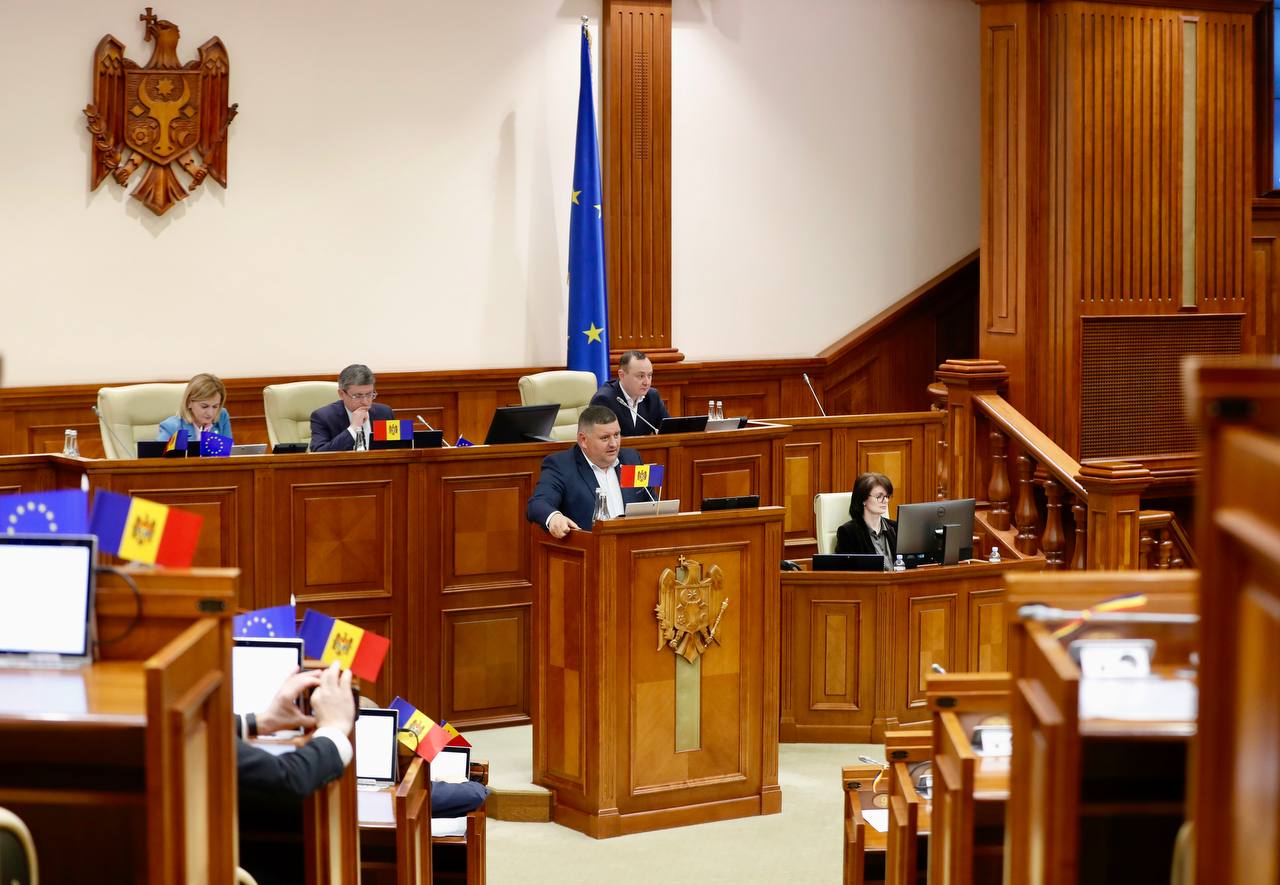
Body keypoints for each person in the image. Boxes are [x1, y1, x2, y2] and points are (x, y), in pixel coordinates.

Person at [526, 405, 647, 537]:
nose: (614, 444)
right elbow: (537, 504)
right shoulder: (561, 465)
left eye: (617, 435)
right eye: (605, 438)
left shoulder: (631, 459)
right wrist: (554, 517)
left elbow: (650, 501)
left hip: (634, 544)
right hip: (589, 547)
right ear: (583, 440)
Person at [309, 363, 395, 452]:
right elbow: (319, 453)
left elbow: (396, 448)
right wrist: (353, 428)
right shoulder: (324, 417)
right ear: (341, 394)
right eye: (358, 396)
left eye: (369, 394)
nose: (365, 402)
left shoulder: (384, 413)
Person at [589, 350, 670, 436]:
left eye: (649, 375)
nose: (646, 382)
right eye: (641, 376)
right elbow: (601, 438)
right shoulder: (604, 400)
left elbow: (669, 431)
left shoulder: (652, 397)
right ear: (622, 375)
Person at [835, 472, 897, 570]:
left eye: (887, 496)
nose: (885, 501)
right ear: (863, 499)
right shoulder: (848, 532)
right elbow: (847, 571)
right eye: (879, 497)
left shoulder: (896, 527)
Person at [156, 373, 232, 442]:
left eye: (215, 406)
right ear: (189, 402)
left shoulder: (222, 416)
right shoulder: (171, 427)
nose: (210, 413)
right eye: (204, 406)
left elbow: (230, 450)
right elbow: (159, 453)